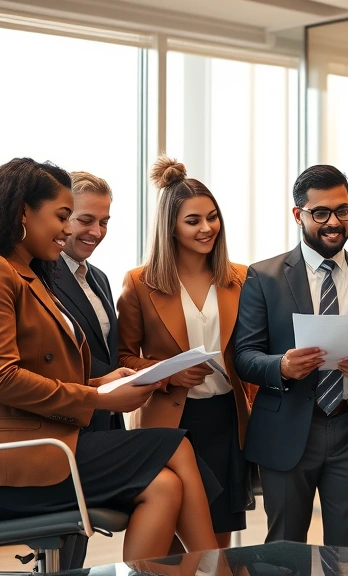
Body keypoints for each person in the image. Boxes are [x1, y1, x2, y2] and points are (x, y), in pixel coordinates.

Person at [0, 158, 218, 561]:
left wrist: (104, 383)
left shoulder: (28, 274)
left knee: (166, 486)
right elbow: (2, 380)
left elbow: (45, 371)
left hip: (39, 446)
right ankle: (217, 571)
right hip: (8, 464)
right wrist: (98, 399)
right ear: (22, 213)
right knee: (176, 447)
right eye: (62, 217)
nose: (68, 230)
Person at [233, 164, 348, 547]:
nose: (334, 222)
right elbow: (244, 356)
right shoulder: (264, 277)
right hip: (287, 427)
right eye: (321, 213)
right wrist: (281, 365)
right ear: (298, 215)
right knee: (283, 551)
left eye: (343, 210)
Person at [117, 156, 253, 549]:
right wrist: (168, 373)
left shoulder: (242, 278)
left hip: (225, 419)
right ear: (170, 227)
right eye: (193, 221)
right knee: (172, 545)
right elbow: (124, 359)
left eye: (212, 217)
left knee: (218, 536)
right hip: (169, 423)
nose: (207, 228)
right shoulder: (140, 283)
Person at [52, 171, 125, 570]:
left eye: (105, 222)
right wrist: (115, 381)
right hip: (64, 423)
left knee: (75, 545)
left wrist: (137, 372)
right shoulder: (41, 274)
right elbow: (57, 354)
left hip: (100, 419)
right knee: (64, 540)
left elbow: (106, 352)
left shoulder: (98, 278)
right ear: (62, 217)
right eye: (86, 220)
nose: (97, 231)